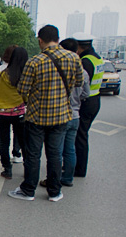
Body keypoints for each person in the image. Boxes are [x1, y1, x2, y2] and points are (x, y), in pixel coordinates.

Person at [9, 25, 83, 202]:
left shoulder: (35, 61)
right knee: (55, 154)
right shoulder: (74, 58)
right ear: (57, 38)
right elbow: (79, 82)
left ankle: (28, 190)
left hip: (37, 116)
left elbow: (23, 89)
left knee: (33, 155)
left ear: (40, 40)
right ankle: (54, 191)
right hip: (62, 115)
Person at [40, 38, 90, 188]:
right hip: (75, 115)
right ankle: (67, 178)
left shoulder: (58, 68)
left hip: (61, 114)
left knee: (56, 150)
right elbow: (86, 93)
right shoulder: (83, 71)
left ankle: (53, 181)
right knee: (70, 149)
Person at [0, 47, 28, 180]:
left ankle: (7, 169)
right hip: (19, 113)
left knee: (4, 140)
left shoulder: (2, 74)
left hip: (3, 114)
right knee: (23, 141)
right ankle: (27, 167)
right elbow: (27, 95)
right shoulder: (24, 75)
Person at [72, 33, 104, 178]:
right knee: (82, 135)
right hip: (95, 99)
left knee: (80, 136)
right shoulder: (97, 58)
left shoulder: (85, 61)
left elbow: (82, 85)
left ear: (79, 46)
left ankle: (79, 168)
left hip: (86, 101)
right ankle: (78, 165)